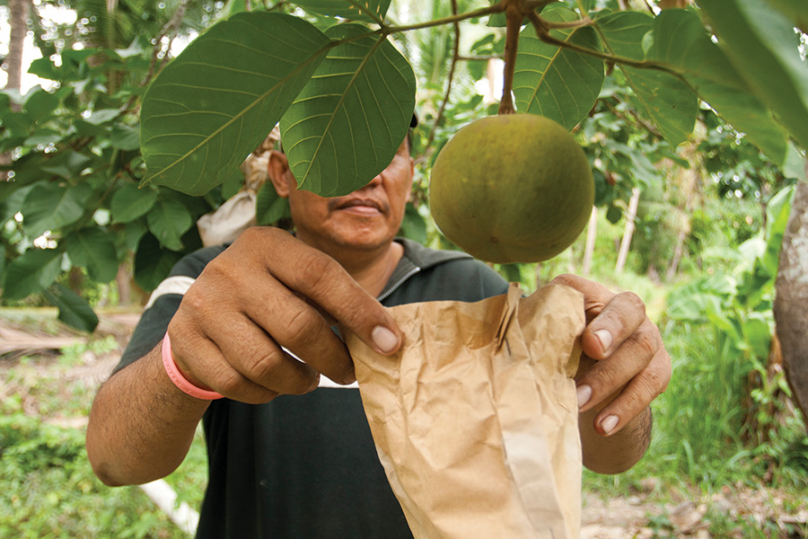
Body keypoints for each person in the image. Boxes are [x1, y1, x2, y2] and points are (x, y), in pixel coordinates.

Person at [86, 127, 671, 538]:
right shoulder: (210, 282)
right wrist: (182, 366)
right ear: (284, 174)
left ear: (411, 176)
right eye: (342, 149)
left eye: (389, 154)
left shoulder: (474, 289)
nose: (368, 173)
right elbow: (114, 458)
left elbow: (606, 452)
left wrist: (609, 382)